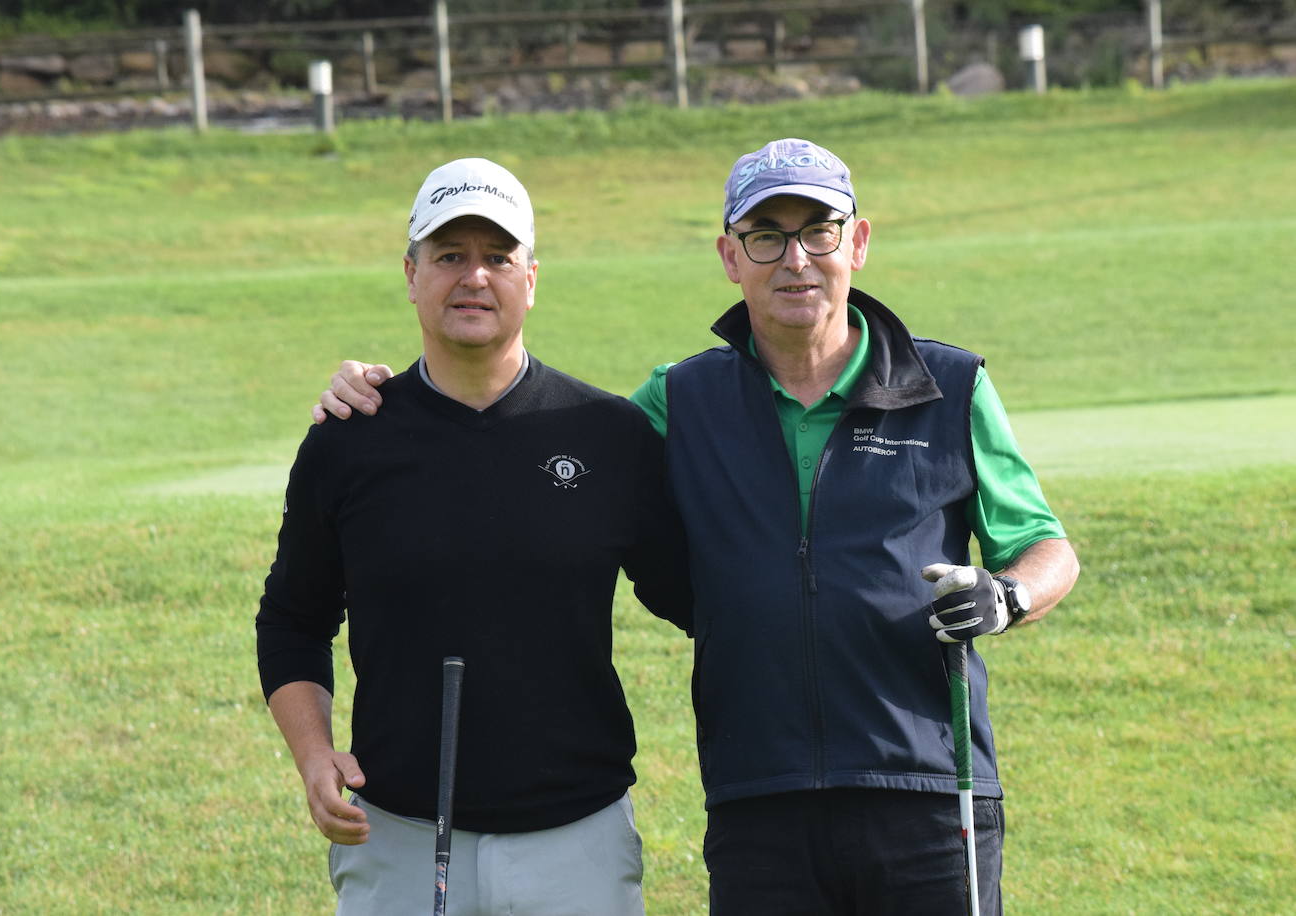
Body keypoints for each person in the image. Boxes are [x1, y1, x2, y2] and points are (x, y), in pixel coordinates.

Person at [317, 139, 1080, 914]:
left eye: (819, 231)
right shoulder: (681, 399)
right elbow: (544, 439)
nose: (796, 259)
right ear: (729, 256)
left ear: (857, 242)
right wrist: (388, 402)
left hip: (926, 785)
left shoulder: (949, 387)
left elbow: (1046, 548)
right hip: (758, 796)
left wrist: (1008, 596)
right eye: (765, 237)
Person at [257, 157, 692, 916]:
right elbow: (293, 619)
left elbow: (697, 597)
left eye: (497, 257)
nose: (474, 277)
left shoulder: (609, 435)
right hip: (394, 833)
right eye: (449, 255)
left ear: (531, 277)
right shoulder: (348, 439)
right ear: (411, 273)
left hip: (577, 836)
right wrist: (313, 756)